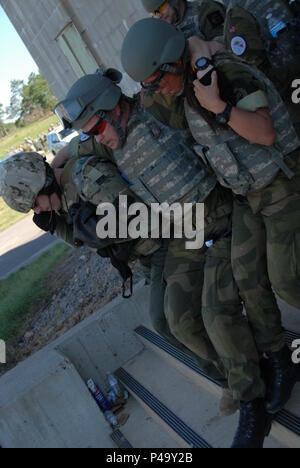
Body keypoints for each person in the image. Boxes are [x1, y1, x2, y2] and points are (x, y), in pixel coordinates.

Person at [120, 17, 300, 447]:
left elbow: (264, 130)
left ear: (172, 63)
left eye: (158, 78)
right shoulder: (182, 89)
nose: (157, 88)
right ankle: (278, 359)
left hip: (282, 184)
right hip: (248, 198)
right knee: (240, 283)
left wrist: (218, 103)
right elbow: (144, 103)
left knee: (287, 279)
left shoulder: (225, 75)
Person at [141, 0, 225, 39]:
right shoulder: (164, 33)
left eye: (161, 8)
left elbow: (227, 46)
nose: (159, 16)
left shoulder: (205, 11)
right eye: (154, 13)